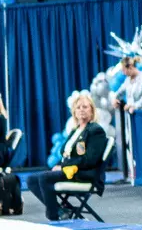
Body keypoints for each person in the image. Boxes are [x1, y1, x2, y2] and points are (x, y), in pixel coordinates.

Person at [27, 93, 105, 221]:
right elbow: (68, 153)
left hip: (84, 173)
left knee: (44, 178)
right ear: (74, 112)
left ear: (92, 110)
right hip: (71, 170)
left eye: (85, 107)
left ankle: (53, 216)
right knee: (31, 179)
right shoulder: (76, 130)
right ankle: (60, 211)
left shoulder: (95, 130)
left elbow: (89, 160)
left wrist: (63, 167)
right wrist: (63, 166)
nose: (81, 110)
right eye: (78, 107)